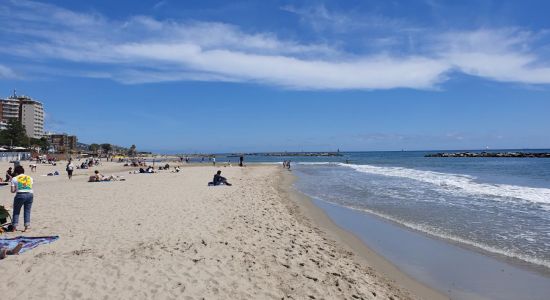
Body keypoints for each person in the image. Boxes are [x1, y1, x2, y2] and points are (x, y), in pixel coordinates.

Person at [10, 166, 34, 232]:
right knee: (27, 211)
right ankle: (26, 227)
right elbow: (30, 187)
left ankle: (14, 228)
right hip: (30, 194)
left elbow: (12, 191)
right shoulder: (30, 177)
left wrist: (14, 186)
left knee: (16, 211)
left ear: (16, 172)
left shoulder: (14, 178)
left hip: (20, 195)